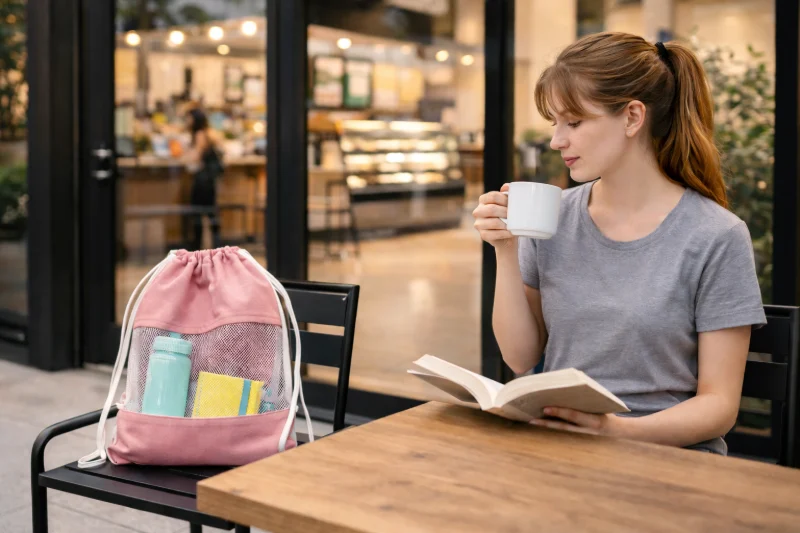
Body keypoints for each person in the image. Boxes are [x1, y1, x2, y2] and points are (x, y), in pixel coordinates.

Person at [473, 32, 766, 454]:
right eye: (554, 123)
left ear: (632, 117)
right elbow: (520, 359)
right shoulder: (553, 217)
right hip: (562, 450)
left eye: (573, 122)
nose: (557, 141)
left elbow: (719, 406)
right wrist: (504, 249)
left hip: (666, 461)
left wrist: (614, 432)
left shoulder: (716, 235)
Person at [185, 107, 224, 251]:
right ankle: (215, 246)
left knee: (200, 212)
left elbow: (196, 157)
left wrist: (187, 153)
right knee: (210, 212)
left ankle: (198, 247)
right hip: (209, 180)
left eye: (189, 117)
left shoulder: (200, 135)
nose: (187, 121)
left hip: (203, 181)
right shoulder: (209, 133)